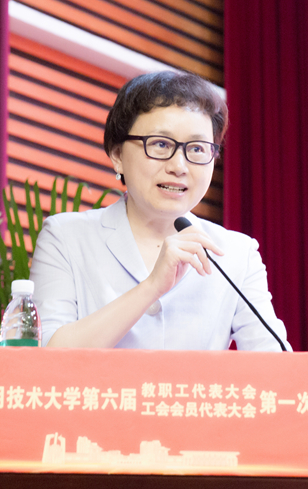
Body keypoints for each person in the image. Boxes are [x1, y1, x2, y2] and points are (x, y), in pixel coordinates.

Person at [29, 71, 291, 352]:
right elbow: (45, 355)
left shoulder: (237, 254)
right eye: (161, 144)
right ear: (117, 155)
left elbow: (275, 362)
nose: (179, 166)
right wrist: (151, 287)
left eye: (197, 148)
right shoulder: (65, 237)